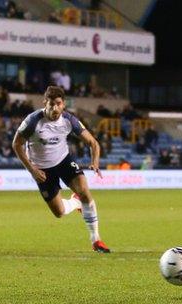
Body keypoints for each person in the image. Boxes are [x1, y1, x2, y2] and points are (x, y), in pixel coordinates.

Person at [12, 86, 110, 253]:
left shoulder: (69, 120)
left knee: (85, 191)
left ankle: (96, 240)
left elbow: (93, 143)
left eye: (58, 104)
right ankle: (75, 202)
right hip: (42, 169)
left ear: (63, 104)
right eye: (51, 104)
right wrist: (32, 169)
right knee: (59, 212)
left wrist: (95, 162)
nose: (55, 108)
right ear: (45, 103)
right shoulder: (32, 121)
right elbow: (16, 144)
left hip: (64, 161)